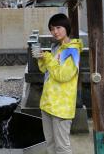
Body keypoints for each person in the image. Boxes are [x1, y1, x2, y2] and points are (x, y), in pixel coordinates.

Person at [33, 13, 83, 154]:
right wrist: (42, 58)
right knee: (50, 144)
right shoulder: (57, 48)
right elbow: (46, 70)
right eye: (52, 29)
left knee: (62, 147)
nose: (55, 32)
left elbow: (63, 76)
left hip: (61, 107)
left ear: (66, 27)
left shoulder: (72, 50)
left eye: (58, 27)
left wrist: (48, 58)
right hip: (48, 103)